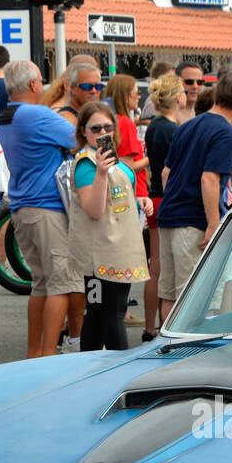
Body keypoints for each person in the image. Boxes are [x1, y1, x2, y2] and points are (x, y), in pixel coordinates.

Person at [0, 60, 83, 359]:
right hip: (46, 207)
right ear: (34, 85)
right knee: (60, 284)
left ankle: (35, 353)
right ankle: (48, 354)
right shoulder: (37, 114)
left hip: (23, 207)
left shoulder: (7, 115)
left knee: (41, 285)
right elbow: (79, 137)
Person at [157, 72, 232, 315]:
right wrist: (213, 224)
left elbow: (166, 173)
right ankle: (190, 352)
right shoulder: (225, 132)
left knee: (170, 295)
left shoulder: (188, 125)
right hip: (194, 222)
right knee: (196, 300)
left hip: (169, 217)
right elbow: (209, 178)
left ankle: (165, 349)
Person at [68, 102, 151, 351]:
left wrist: (140, 200)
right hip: (100, 253)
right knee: (109, 313)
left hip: (120, 247)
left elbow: (119, 198)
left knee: (100, 314)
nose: (103, 133)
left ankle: (90, 369)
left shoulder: (116, 161)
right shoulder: (87, 164)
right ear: (83, 131)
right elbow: (93, 209)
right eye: (95, 128)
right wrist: (101, 174)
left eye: (108, 127)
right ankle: (119, 373)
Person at [142, 74, 182, 342]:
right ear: (178, 97)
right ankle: (154, 326)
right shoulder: (171, 129)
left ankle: (150, 325)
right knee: (160, 269)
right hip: (164, 197)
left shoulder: (155, 126)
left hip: (154, 194)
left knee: (155, 268)